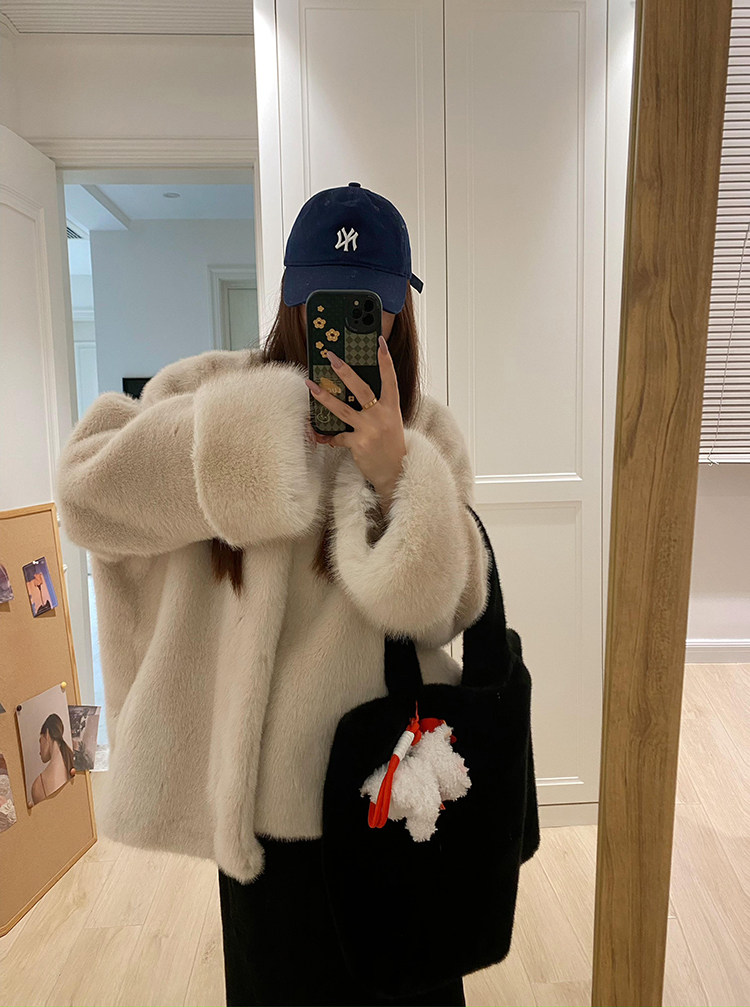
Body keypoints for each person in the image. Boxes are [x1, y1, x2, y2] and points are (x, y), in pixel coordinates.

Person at [55, 182, 491, 1006]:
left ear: (400, 310)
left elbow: (454, 611)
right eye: (331, 302)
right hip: (262, 810)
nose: (356, 325)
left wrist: (397, 476)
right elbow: (84, 498)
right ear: (293, 297)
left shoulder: (426, 432)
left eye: (374, 306)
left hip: (394, 790)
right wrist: (252, 439)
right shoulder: (212, 393)